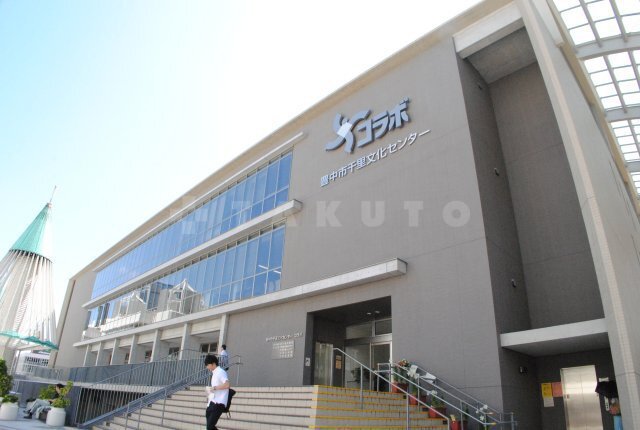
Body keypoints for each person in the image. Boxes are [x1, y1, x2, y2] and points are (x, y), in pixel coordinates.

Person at [204, 354, 230, 430]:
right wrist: (209, 394)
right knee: (209, 427)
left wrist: (214, 388)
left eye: (207, 365)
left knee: (210, 427)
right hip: (212, 402)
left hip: (219, 403)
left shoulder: (221, 372)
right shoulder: (214, 373)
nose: (207, 367)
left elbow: (227, 385)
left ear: (213, 364)